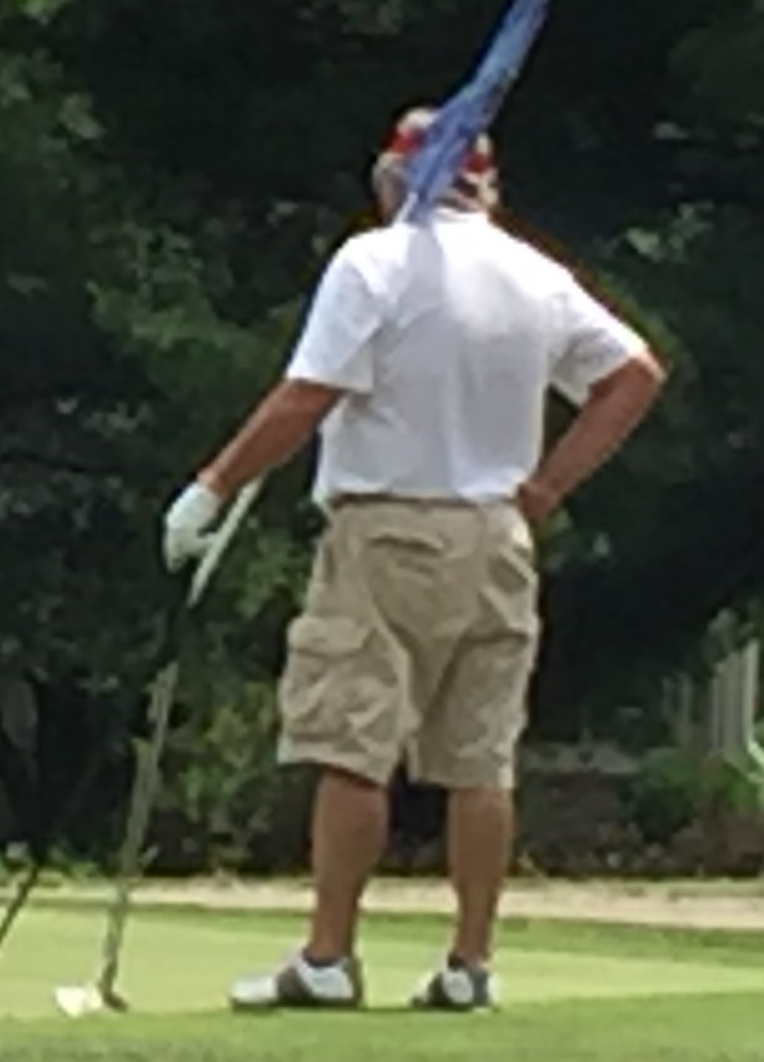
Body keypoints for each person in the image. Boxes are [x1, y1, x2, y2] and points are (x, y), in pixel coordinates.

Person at [162, 109, 665, 1011]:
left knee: (353, 744)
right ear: (487, 183)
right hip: (495, 535)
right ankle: (468, 965)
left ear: (398, 177)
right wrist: (545, 488)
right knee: (479, 758)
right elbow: (634, 374)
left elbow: (306, 395)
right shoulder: (534, 274)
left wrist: (210, 485)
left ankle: (327, 957)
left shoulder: (372, 262)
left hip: (385, 524)